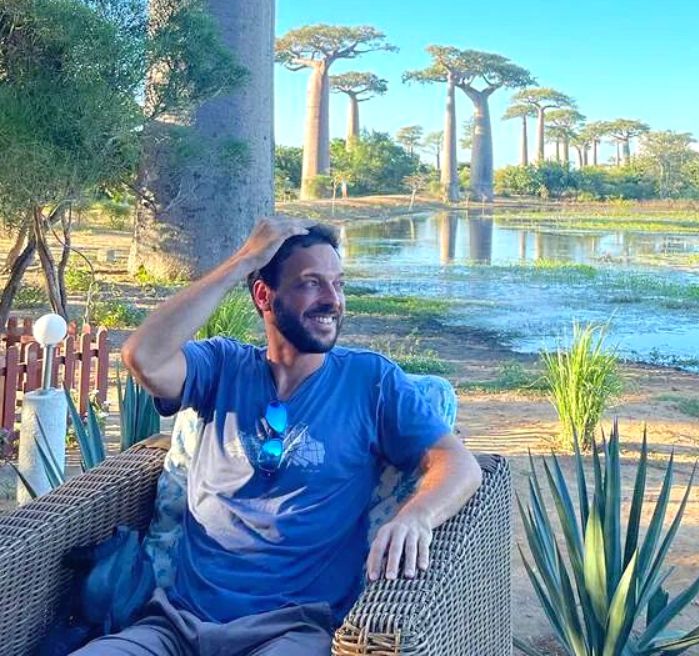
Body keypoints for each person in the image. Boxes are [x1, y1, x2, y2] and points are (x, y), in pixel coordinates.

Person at [72, 217, 483, 656]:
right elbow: (143, 357)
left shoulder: (371, 381)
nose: (333, 300)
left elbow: (457, 462)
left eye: (338, 284)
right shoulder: (222, 367)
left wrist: (415, 516)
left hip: (291, 632)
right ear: (264, 295)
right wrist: (243, 261)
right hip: (174, 624)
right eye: (311, 284)